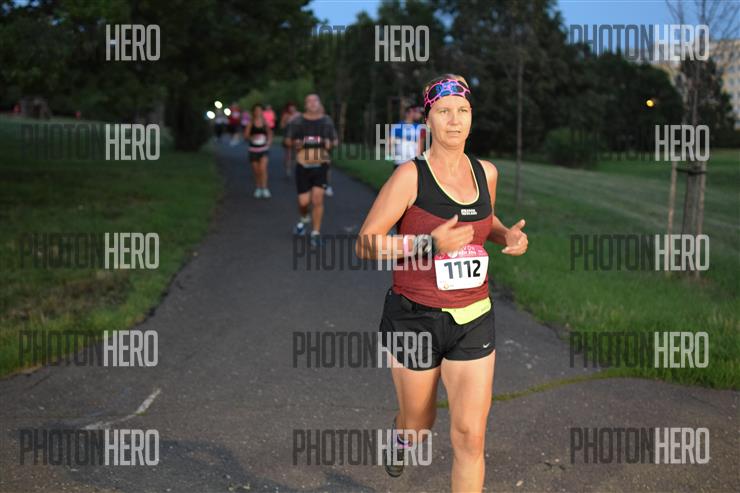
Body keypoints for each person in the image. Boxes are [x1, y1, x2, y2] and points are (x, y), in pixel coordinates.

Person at [355, 74, 528, 492]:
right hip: (415, 317)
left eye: (463, 111)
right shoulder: (410, 176)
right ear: (428, 119)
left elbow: (483, 220)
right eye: (444, 111)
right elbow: (366, 243)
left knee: (470, 435)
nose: (455, 120)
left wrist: (507, 235)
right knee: (419, 424)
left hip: (474, 317)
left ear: (472, 116)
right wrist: (428, 243)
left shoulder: (486, 173)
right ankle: (401, 437)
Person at [286, 94, 338, 246]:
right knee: (303, 202)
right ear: (305, 105)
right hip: (303, 165)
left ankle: (315, 233)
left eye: (315, 100)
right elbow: (287, 140)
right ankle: (304, 218)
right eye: (309, 101)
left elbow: (335, 141)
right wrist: (295, 143)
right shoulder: (297, 121)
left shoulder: (326, 121)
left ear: (320, 103)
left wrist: (330, 143)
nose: (313, 103)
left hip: (321, 165)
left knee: (317, 199)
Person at [244, 104, 273, 198]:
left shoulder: (265, 123)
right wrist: (252, 137)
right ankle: (258, 188)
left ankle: (264, 188)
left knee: (263, 169)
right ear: (254, 112)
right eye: (256, 110)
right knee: (256, 171)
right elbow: (246, 136)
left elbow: (270, 133)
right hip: (253, 150)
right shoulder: (250, 123)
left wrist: (269, 142)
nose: (258, 112)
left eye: (260, 110)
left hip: (263, 149)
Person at [280, 102, 300, 178]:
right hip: (288, 136)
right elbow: (281, 126)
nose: (292, 109)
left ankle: (297, 168)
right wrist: (287, 122)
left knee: (297, 153)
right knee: (288, 154)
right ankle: (288, 169)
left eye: (293, 107)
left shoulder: (299, 115)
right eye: (290, 107)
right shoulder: (285, 116)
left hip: (297, 136)